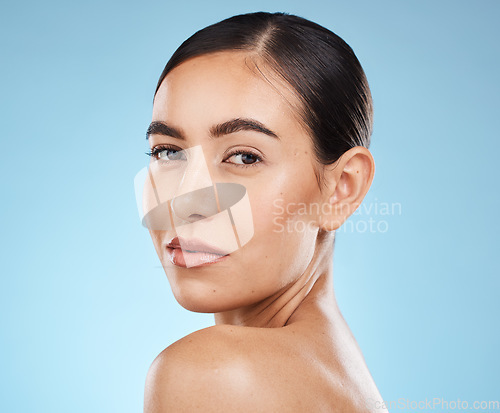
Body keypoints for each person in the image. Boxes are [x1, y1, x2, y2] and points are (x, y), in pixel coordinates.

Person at [141, 11, 387, 412]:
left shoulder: (212, 373)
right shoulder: (342, 373)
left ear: (342, 189)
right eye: (168, 152)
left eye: (243, 157)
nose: (184, 203)